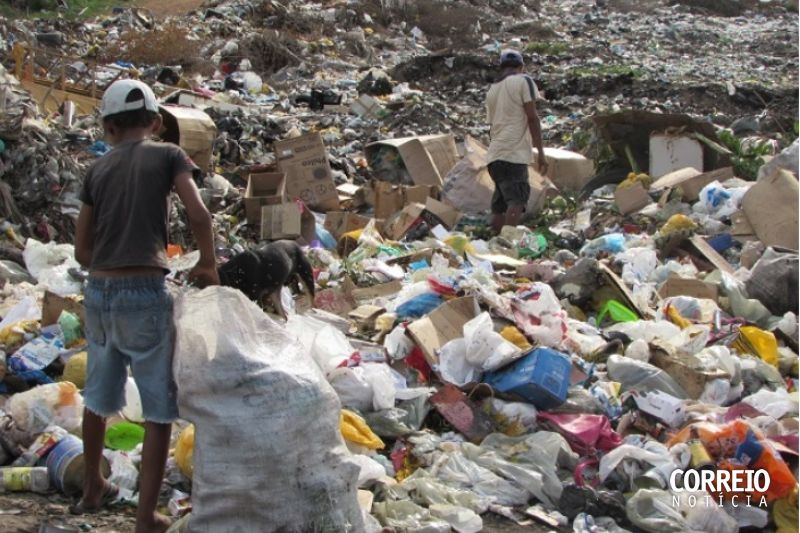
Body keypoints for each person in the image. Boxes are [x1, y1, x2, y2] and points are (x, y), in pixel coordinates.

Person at [72, 79, 219, 533]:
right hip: (145, 294)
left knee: (97, 399)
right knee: (158, 411)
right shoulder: (169, 155)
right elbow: (198, 212)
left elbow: (80, 250)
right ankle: (143, 518)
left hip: (98, 293)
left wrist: (109, 268)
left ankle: (92, 486)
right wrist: (209, 264)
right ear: (156, 123)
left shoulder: (95, 171)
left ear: (108, 128)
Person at [486, 48, 548, 234]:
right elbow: (532, 118)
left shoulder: (492, 90)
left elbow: (492, 124)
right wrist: (541, 154)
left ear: (502, 68)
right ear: (521, 67)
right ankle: (505, 245)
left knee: (500, 205)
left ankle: (494, 243)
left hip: (494, 155)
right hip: (513, 154)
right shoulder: (524, 81)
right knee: (517, 201)